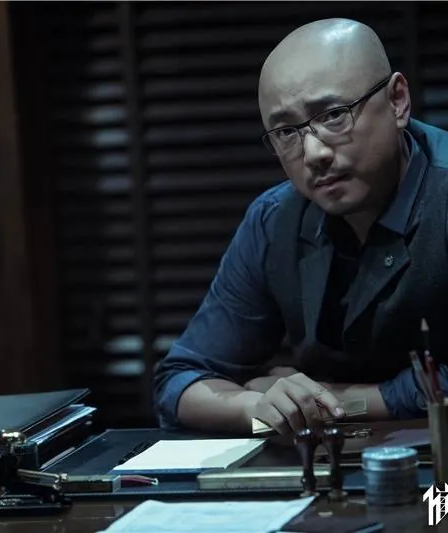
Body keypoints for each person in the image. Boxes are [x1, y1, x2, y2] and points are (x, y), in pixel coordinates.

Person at [153, 18, 448, 436]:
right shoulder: (275, 220)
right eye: (287, 132)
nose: (313, 153)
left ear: (397, 100)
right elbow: (180, 381)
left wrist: (339, 401)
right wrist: (260, 406)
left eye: (334, 115)